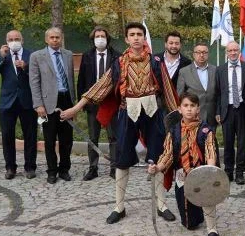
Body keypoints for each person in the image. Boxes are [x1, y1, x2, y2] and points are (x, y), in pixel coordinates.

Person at [60, 22, 178, 224]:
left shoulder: (156, 61)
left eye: (139, 34)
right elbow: (100, 87)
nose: (136, 37)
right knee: (122, 159)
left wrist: (178, 117)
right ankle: (119, 206)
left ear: (144, 37)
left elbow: (167, 89)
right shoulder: (119, 63)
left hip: (152, 114)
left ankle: (162, 204)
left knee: (159, 157)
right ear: (126, 39)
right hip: (127, 113)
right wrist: (75, 108)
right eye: (132, 34)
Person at [149, 92, 221, 236]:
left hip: (201, 172)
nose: (189, 109)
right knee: (190, 223)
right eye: (185, 105)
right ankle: (194, 217)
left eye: (192, 106)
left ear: (198, 109)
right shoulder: (173, 131)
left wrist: (209, 170)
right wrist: (158, 167)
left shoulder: (206, 130)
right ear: (179, 109)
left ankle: (212, 229)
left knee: (206, 196)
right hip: (182, 175)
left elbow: (210, 152)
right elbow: (167, 154)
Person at [0, 29, 37, 180]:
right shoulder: (1, 55)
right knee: (7, 136)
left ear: (22, 40)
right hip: (7, 103)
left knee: (30, 135)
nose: (14, 42)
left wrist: (25, 67)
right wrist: (1, 57)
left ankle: (30, 167)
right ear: (6, 42)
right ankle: (10, 167)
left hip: (27, 101)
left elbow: (38, 75)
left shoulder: (31, 55)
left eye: (17, 39)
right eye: (11, 39)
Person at [29, 27, 76, 184]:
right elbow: (34, 82)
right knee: (49, 140)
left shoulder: (68, 55)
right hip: (48, 102)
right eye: (52, 37)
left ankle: (64, 169)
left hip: (66, 100)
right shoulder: (37, 56)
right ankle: (52, 171)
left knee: (66, 139)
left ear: (61, 38)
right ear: (46, 39)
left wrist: (74, 104)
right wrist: (38, 105)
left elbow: (71, 79)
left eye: (57, 37)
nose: (55, 40)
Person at [76, 25, 120, 180]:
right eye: (97, 36)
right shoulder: (87, 56)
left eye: (102, 36)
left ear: (107, 38)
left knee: (113, 137)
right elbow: (81, 80)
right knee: (92, 138)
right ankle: (93, 168)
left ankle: (114, 168)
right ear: (93, 39)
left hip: (110, 103)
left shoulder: (117, 56)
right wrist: (82, 103)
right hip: (92, 103)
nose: (100, 39)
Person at [214, 41, 245, 185]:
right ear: (226, 53)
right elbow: (218, 93)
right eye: (230, 50)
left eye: (235, 50)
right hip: (227, 110)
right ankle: (228, 171)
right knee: (228, 142)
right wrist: (218, 111)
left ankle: (240, 173)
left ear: (239, 51)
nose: (233, 53)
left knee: (242, 143)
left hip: (243, 109)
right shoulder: (220, 69)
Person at [177, 42, 217, 127]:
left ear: (208, 54)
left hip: (212, 115)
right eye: (198, 52)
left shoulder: (216, 70)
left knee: (211, 135)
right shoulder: (184, 72)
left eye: (204, 52)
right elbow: (180, 95)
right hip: (192, 116)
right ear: (194, 55)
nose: (201, 55)